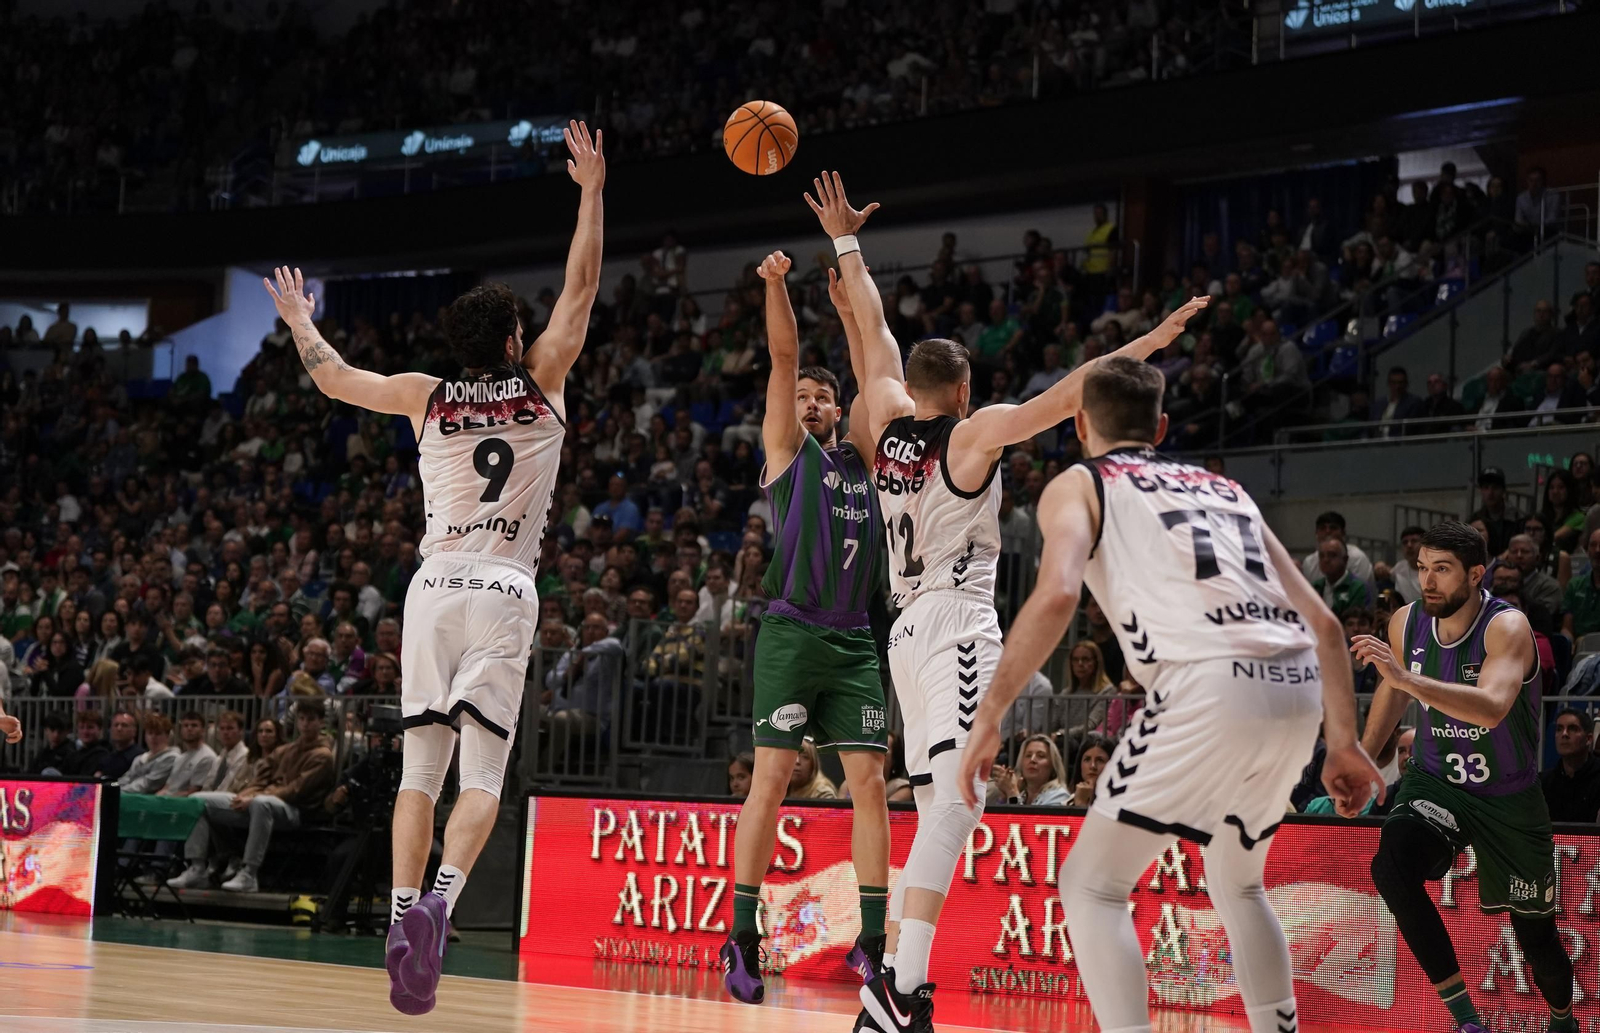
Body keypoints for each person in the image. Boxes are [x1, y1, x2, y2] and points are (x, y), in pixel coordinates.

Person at [808, 171, 1211, 1033]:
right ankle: (896, 985)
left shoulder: (880, 417)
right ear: (960, 390)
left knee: (943, 802)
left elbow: (870, 329)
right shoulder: (971, 430)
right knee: (958, 801)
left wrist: (847, 242)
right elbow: (1072, 395)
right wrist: (1153, 340)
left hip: (902, 632)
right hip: (954, 620)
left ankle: (900, 990)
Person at [261, 120, 604, 1016]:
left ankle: (400, 910)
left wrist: (300, 318)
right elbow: (583, 284)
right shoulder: (545, 381)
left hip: (432, 585)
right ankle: (442, 902)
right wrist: (592, 191)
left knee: (419, 771)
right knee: (482, 779)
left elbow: (334, 379)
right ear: (516, 337)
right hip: (504, 589)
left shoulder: (424, 395)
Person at [961, 355, 1379, 1033]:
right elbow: (1326, 624)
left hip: (1206, 683)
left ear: (1079, 423)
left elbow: (1059, 592)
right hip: (1298, 682)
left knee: (1092, 885)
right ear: (1158, 425)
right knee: (1239, 882)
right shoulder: (1224, 488)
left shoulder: (1079, 481)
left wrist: (989, 715)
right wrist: (1344, 742)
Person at [721, 251, 892, 1006]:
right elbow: (784, 353)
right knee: (769, 780)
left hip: (854, 637)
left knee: (872, 784)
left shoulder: (866, 457)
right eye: (805, 397)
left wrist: (853, 310)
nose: (814, 402)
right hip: (792, 631)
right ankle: (742, 930)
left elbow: (871, 373)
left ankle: (874, 940)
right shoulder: (789, 453)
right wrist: (776, 286)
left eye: (823, 397)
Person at [1357, 520, 1575, 1033]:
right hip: (1438, 782)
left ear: (1476, 574)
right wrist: (1364, 766)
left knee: (1537, 941)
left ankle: (1563, 1021)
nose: (1428, 581)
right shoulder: (1407, 624)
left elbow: (1494, 708)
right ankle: (1467, 1022)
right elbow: (1392, 694)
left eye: (1442, 570)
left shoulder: (1508, 627)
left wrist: (1408, 678)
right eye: (1423, 569)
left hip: (1508, 797)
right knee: (1391, 868)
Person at [1542, 708, 1600, 823]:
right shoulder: (1544, 782)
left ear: (1588, 739)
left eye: (1572, 729)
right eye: (1559, 729)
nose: (1564, 734)